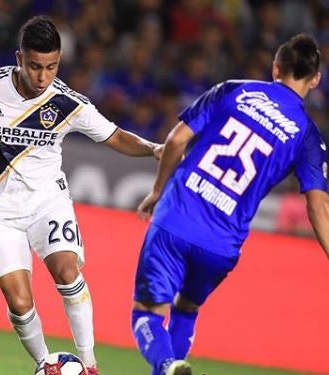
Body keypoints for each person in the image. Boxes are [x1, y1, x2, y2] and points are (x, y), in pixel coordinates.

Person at [0, 15, 162, 375]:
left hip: (47, 202)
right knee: (19, 302)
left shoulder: (68, 103)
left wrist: (154, 149)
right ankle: (45, 364)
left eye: (51, 67)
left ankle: (89, 365)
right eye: (35, 66)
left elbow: (115, 136)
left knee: (67, 272)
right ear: (19, 58)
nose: (43, 76)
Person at [132, 33, 329, 375]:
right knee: (187, 308)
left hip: (178, 215)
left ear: (275, 68)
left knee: (146, 312)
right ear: (315, 79)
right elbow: (318, 209)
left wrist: (158, 189)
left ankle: (166, 366)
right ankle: (171, 367)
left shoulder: (234, 90)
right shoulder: (308, 136)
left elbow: (177, 139)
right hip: (222, 243)